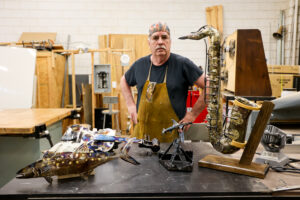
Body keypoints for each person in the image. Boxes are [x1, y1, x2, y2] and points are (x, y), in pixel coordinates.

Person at [120, 22, 206, 142]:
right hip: (142, 137)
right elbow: (123, 80)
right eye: (155, 38)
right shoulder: (140, 65)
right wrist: (130, 105)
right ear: (149, 42)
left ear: (170, 41)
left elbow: (210, 87)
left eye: (164, 37)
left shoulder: (182, 64)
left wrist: (192, 115)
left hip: (171, 140)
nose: (160, 41)